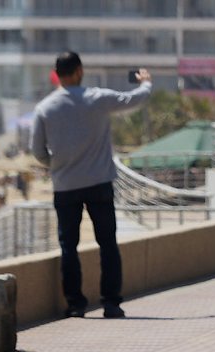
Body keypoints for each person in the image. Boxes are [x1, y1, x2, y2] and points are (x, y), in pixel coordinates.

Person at [31, 51, 152, 319]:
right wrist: (145, 82)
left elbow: (37, 151)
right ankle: (111, 303)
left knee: (68, 246)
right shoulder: (97, 99)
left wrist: (58, 165)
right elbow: (135, 99)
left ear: (58, 74)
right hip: (99, 182)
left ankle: (76, 305)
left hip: (65, 186)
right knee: (107, 243)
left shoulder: (44, 108)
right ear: (79, 71)